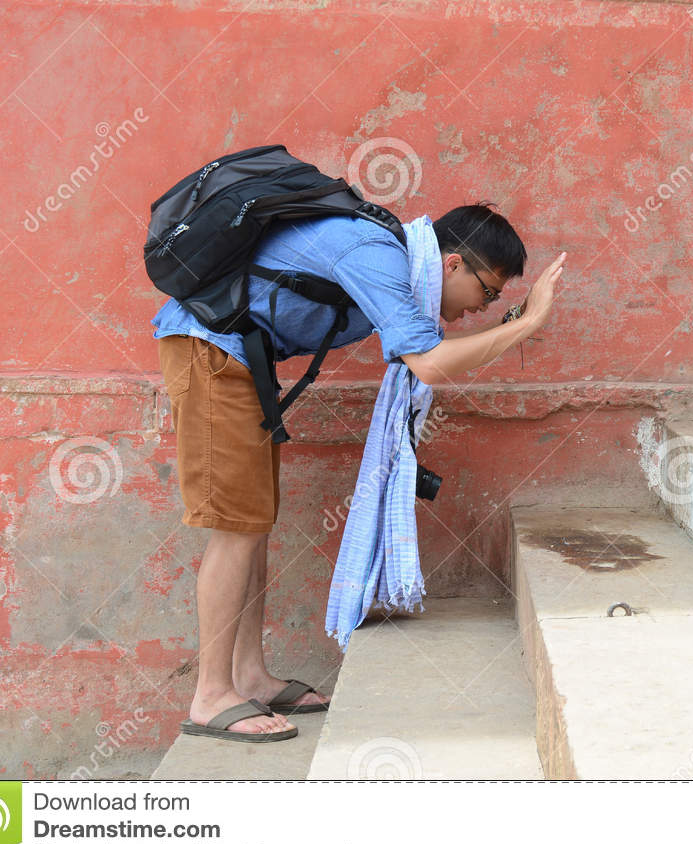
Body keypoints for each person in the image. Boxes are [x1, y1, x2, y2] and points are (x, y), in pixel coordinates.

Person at [152, 201, 565, 741]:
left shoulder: (396, 263)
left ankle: (248, 675)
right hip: (210, 353)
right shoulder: (378, 257)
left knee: (252, 524)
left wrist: (515, 327)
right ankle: (210, 694)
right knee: (236, 527)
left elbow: (431, 354)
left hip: (239, 361)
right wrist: (529, 323)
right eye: (488, 292)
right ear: (454, 264)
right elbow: (432, 363)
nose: (482, 309)